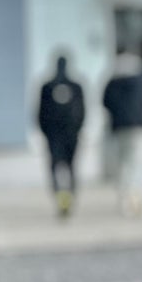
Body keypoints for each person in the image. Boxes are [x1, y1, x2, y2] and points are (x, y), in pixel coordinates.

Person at [101, 49, 142, 218]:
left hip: (119, 129)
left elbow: (105, 103)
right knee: (139, 163)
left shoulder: (112, 84)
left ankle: (126, 197)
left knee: (123, 164)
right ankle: (138, 193)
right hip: (140, 128)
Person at [36, 52, 85, 218]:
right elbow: (82, 112)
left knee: (56, 167)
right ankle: (68, 196)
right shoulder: (75, 86)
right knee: (70, 167)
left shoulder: (47, 87)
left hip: (54, 135)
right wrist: (77, 128)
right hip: (69, 134)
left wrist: (46, 132)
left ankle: (61, 196)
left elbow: (40, 113)